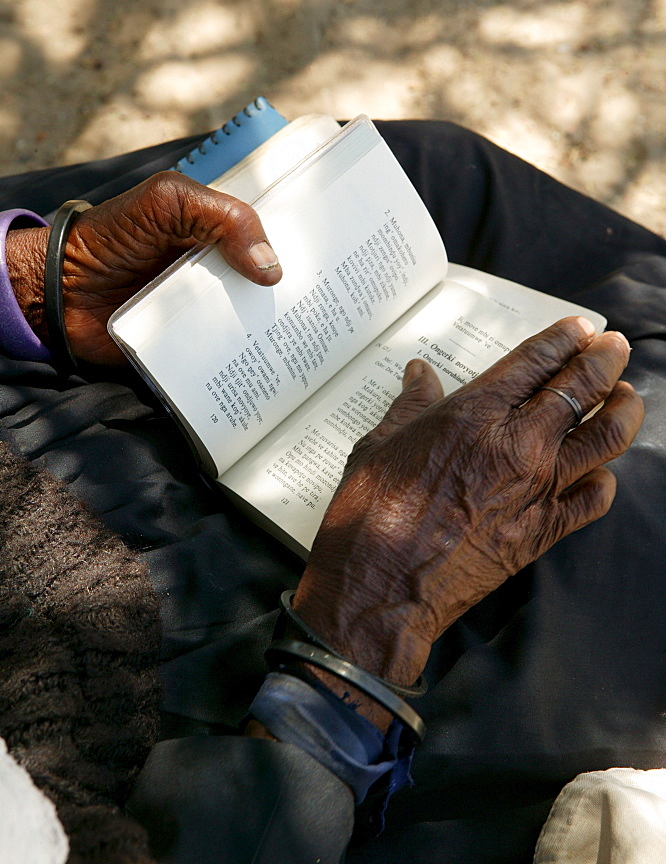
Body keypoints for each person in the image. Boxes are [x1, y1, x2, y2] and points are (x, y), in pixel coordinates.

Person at [0, 120, 665, 864]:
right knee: (628, 507)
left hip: (39, 388)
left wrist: (30, 279)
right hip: (203, 733)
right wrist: (376, 609)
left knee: (437, 172)